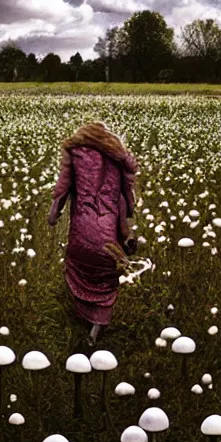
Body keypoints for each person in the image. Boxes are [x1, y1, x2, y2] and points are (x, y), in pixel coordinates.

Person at [48, 121, 138, 345]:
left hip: (82, 231)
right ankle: (96, 328)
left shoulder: (74, 151)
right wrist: (125, 226)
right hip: (108, 233)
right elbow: (124, 196)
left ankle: (81, 317)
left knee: (79, 268)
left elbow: (62, 189)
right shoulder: (117, 156)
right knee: (106, 279)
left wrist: (53, 215)